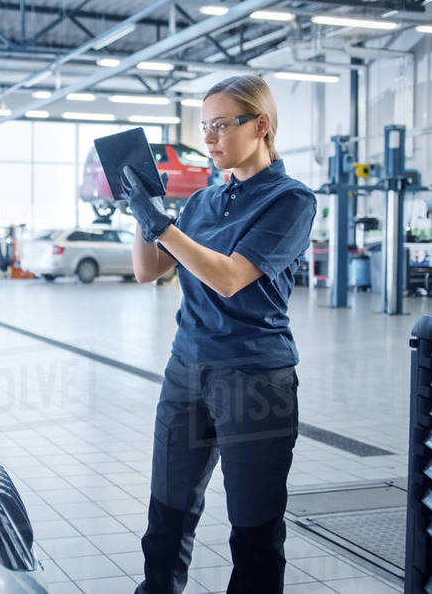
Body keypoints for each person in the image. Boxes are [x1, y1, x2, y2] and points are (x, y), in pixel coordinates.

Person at [124, 75, 317, 594]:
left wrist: (163, 227)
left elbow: (230, 278)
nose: (208, 140)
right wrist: (141, 214)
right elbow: (149, 272)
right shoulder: (202, 202)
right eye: (204, 127)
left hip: (254, 380)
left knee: (254, 530)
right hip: (185, 370)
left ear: (261, 126)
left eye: (220, 127)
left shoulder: (291, 200)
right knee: (167, 513)